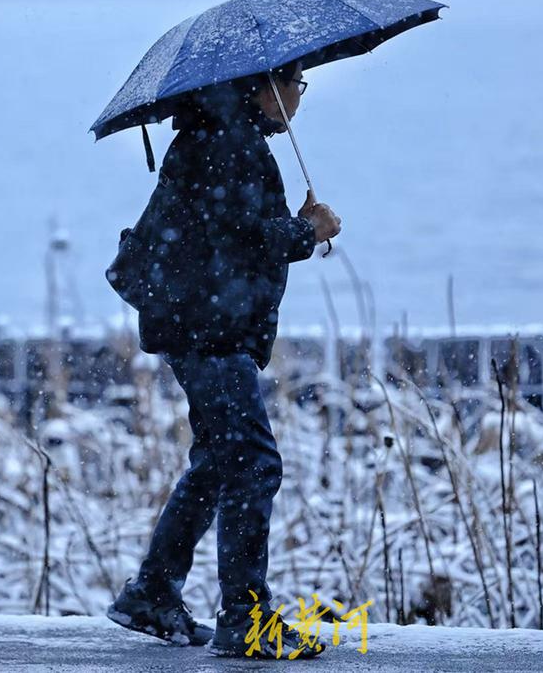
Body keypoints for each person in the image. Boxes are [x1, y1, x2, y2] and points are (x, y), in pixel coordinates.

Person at [106, 59, 341, 658]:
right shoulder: (229, 142)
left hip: (201, 323)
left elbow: (231, 233)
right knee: (254, 462)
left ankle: (154, 592)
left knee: (218, 459)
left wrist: (297, 229)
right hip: (209, 330)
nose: (299, 98)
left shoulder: (217, 136)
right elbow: (252, 236)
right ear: (264, 86)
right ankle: (247, 618)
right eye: (296, 85)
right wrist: (309, 231)